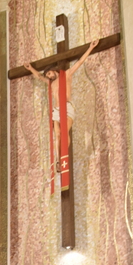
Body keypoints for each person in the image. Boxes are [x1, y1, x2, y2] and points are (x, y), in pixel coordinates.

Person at [25, 38, 99, 170]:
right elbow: (39, 77)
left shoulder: (67, 75)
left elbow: (80, 62)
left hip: (67, 107)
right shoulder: (50, 83)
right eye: (47, 75)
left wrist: (91, 48)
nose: (49, 76)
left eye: (49, 73)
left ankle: (64, 156)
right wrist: (30, 68)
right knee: (57, 135)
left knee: (64, 133)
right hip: (56, 110)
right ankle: (59, 161)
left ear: (54, 70)